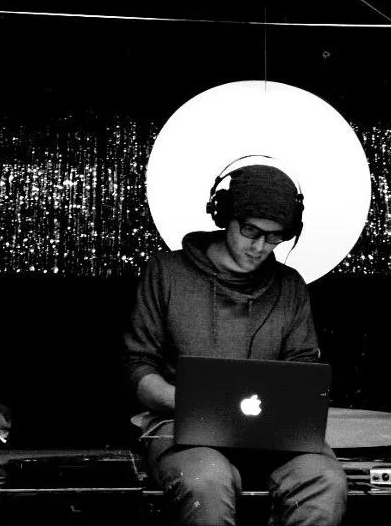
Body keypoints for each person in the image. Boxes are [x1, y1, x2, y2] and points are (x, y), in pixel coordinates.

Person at [122, 161, 347, 525]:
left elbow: (304, 369)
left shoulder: (290, 286)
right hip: (183, 429)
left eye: (274, 237)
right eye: (250, 231)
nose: (260, 246)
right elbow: (138, 365)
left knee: (326, 480)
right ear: (224, 215)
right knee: (206, 480)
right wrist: (190, 403)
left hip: (274, 434)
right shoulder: (166, 272)